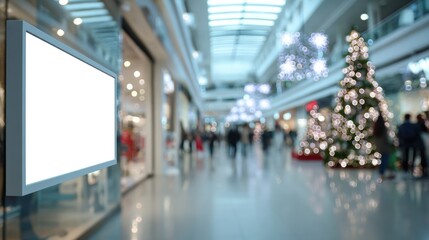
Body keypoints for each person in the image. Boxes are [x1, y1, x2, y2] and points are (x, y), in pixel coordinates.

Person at [373, 115, 394, 179]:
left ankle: (382, 173)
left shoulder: (376, 128)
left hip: (379, 146)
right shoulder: (383, 128)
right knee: (385, 159)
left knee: (383, 159)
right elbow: (386, 138)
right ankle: (383, 173)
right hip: (385, 146)